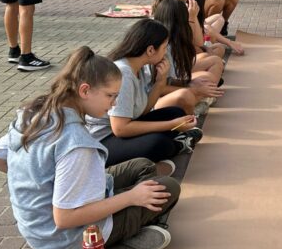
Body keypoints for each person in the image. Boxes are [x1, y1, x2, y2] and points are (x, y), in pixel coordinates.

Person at [0, 46, 181, 249]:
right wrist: (131, 198)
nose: (114, 104)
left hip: (36, 229)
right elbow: (64, 218)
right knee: (167, 187)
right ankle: (127, 230)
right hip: (65, 238)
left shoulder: (34, 112)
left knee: (143, 166)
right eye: (110, 96)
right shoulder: (76, 143)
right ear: (85, 90)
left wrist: (41, 185)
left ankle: (131, 220)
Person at [85, 19, 203, 168]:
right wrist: (171, 125)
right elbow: (120, 128)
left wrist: (160, 83)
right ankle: (178, 145)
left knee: (176, 112)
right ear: (150, 50)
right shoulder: (124, 74)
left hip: (123, 129)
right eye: (164, 47)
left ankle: (177, 140)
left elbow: (142, 111)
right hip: (104, 139)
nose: (166, 53)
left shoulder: (139, 68)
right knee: (158, 143)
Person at [153, 0, 224, 113]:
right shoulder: (159, 45)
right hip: (153, 102)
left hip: (168, 84)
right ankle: (196, 105)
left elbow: (170, 79)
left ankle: (200, 99)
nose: (190, 3)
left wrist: (192, 85)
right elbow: (157, 89)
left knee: (207, 77)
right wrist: (193, 88)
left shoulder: (167, 38)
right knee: (189, 93)